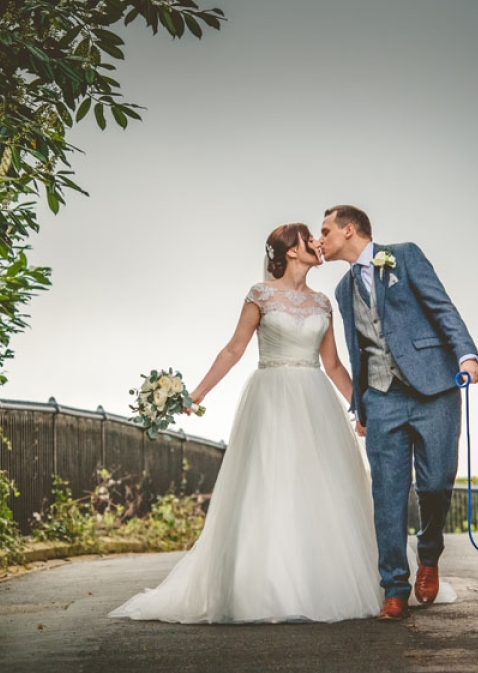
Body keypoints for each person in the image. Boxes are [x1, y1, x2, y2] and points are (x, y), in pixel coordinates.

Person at [110, 223, 452, 623]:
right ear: (291, 250)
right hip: (270, 397)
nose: (317, 244)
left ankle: (322, 582)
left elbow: (335, 365)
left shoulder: (324, 302)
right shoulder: (260, 295)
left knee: (322, 487)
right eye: (310, 238)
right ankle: (265, 587)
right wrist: (197, 393)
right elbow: (233, 349)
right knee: (269, 485)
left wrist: (362, 409)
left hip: (315, 398)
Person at [318, 204, 478, 622]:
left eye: (326, 230)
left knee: (436, 485)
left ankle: (429, 553)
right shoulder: (341, 291)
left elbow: (442, 307)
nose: (321, 238)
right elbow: (357, 352)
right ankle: (394, 587)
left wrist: (466, 356)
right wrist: (362, 405)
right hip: (382, 398)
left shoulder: (404, 255)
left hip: (435, 388)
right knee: (387, 495)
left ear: (349, 230)